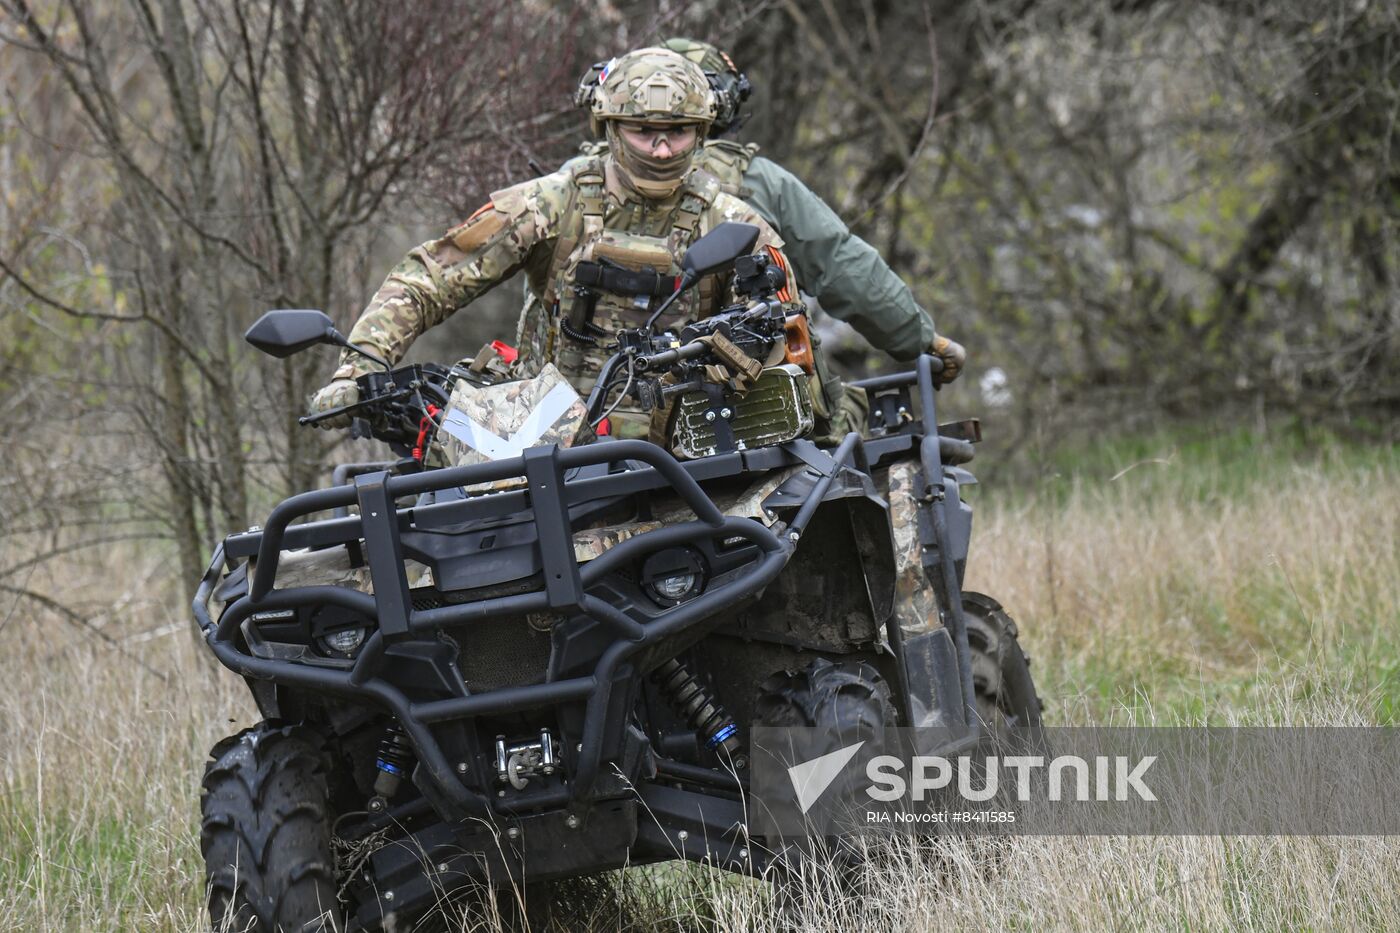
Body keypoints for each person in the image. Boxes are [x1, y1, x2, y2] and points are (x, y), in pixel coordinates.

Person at [309, 47, 802, 439]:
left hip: (686, 451)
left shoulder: (736, 225)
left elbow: (786, 337)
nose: (660, 149)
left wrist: (737, 351)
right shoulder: (551, 204)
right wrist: (358, 367)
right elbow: (430, 278)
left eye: (677, 132)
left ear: (702, 131)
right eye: (644, 131)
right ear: (610, 128)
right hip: (539, 439)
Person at [516, 38, 964, 401]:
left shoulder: (577, 180)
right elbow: (842, 266)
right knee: (847, 421)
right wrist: (921, 341)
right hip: (720, 412)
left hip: (571, 404)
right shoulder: (758, 181)